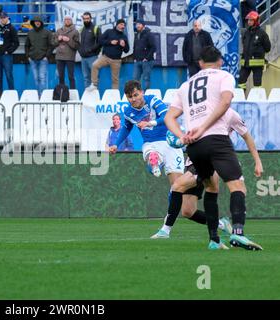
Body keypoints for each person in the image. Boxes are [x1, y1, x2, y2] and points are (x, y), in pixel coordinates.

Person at [165, 45, 263, 250]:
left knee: (211, 187)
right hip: (215, 140)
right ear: (219, 61)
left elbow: (169, 117)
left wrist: (183, 136)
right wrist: (203, 127)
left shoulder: (185, 85)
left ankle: (214, 240)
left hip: (193, 147)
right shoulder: (224, 76)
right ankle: (238, 233)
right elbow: (226, 101)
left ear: (200, 63)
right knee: (237, 186)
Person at [151, 108, 263, 239]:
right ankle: (221, 225)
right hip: (193, 158)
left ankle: (165, 230)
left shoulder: (231, 114)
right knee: (188, 211)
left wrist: (257, 161)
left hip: (211, 158)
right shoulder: (200, 110)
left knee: (177, 185)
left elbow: (247, 136)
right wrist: (183, 138)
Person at [109, 80, 184, 212]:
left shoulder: (153, 101)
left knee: (177, 186)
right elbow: (126, 129)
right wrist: (115, 144)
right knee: (151, 155)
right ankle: (154, 161)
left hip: (169, 142)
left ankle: (170, 216)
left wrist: (150, 123)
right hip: (151, 143)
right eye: (129, 97)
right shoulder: (128, 112)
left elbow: (166, 116)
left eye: (135, 95)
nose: (133, 99)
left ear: (142, 92)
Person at [89, 19, 129, 91]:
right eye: (121, 24)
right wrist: (110, 42)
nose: (123, 26)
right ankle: (94, 84)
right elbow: (100, 40)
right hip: (106, 57)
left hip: (116, 60)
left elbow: (127, 50)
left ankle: (115, 94)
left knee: (115, 79)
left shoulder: (124, 36)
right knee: (94, 65)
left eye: (124, 25)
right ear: (117, 25)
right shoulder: (109, 31)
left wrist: (124, 45)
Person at [238, 11, 271, 91]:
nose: (249, 22)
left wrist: (259, 53)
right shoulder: (246, 32)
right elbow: (244, 44)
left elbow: (268, 48)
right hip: (246, 62)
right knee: (241, 82)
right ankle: (241, 99)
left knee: (257, 84)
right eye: (248, 20)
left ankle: (257, 101)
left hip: (257, 64)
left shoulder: (262, 33)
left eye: (251, 20)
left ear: (256, 21)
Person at [0, 12, 19, 97]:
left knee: (9, 75)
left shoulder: (12, 28)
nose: (3, 19)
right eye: (1, 18)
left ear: (7, 18)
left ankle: (12, 94)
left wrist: (9, 51)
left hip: (6, 56)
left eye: (4, 18)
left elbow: (16, 43)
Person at [25, 15, 53, 96]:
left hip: (43, 60)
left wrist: (46, 56)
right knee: (36, 78)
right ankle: (38, 96)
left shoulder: (47, 32)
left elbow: (51, 45)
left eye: (38, 21)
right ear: (33, 23)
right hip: (32, 59)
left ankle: (43, 97)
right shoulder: (30, 33)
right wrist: (28, 56)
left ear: (41, 22)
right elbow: (27, 45)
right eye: (35, 22)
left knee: (42, 78)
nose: (37, 23)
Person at [53, 15, 80, 89]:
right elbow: (54, 43)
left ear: (71, 21)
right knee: (61, 76)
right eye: (66, 19)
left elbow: (77, 46)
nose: (67, 21)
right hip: (59, 57)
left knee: (71, 76)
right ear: (64, 21)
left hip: (70, 57)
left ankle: (73, 92)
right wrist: (58, 40)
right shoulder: (58, 30)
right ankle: (62, 93)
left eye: (69, 19)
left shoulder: (75, 31)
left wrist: (68, 40)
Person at [78, 12, 102, 89]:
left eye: (88, 18)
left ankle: (95, 97)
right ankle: (87, 98)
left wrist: (91, 50)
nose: (86, 20)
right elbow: (78, 42)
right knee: (86, 78)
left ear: (91, 18)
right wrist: (80, 51)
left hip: (93, 57)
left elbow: (100, 42)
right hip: (83, 58)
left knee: (94, 78)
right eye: (84, 19)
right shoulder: (81, 29)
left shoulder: (96, 28)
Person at [132, 19, 156, 90]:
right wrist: (134, 58)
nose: (138, 26)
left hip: (147, 61)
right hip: (137, 61)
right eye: (136, 24)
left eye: (139, 24)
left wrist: (147, 58)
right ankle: (136, 95)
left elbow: (153, 47)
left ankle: (145, 96)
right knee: (135, 79)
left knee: (146, 78)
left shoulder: (149, 34)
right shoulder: (137, 34)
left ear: (143, 25)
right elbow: (134, 47)